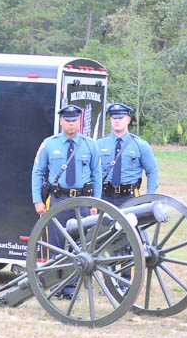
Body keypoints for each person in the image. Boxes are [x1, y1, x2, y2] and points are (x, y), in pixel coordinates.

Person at [31, 103, 102, 249]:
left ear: (79, 121)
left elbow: (97, 174)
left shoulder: (90, 145)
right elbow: (37, 172)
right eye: (67, 120)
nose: (71, 123)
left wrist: (96, 202)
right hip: (58, 200)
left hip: (83, 201)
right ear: (61, 121)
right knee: (56, 246)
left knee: (84, 248)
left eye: (74, 120)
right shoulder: (49, 144)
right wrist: (37, 200)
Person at [97, 102, 158, 208]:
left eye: (120, 118)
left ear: (128, 120)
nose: (117, 121)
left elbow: (152, 171)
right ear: (110, 119)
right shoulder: (99, 144)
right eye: (114, 118)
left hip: (129, 197)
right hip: (104, 196)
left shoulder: (140, 145)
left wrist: (149, 197)